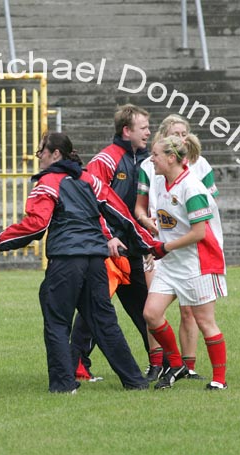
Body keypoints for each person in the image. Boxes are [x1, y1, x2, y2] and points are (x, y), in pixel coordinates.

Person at [0, 132, 166, 393]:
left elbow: (37, 224)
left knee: (57, 321)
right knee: (105, 322)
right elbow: (122, 215)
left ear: (55, 154)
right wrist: (152, 246)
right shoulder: (90, 179)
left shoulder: (48, 183)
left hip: (65, 261)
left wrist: (4, 240)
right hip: (96, 261)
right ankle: (134, 380)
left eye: (42, 151)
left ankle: (64, 384)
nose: (39, 156)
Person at [70, 103, 155, 381]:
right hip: (109, 248)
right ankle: (77, 364)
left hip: (135, 247)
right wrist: (107, 238)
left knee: (146, 307)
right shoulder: (105, 160)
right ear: (126, 130)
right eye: (143, 128)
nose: (148, 133)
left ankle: (161, 362)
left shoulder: (149, 161)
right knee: (96, 306)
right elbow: (92, 201)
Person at [136, 114, 219, 381]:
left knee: (198, 316)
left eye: (184, 134)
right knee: (152, 311)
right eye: (175, 133)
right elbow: (146, 209)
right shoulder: (155, 172)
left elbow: (203, 224)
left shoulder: (194, 179)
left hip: (189, 255)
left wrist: (167, 244)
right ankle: (166, 363)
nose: (181, 138)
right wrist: (150, 228)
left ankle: (207, 374)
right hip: (163, 250)